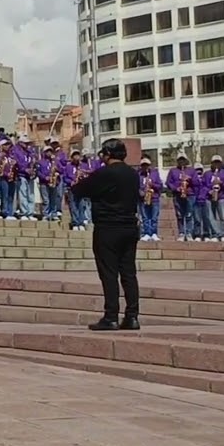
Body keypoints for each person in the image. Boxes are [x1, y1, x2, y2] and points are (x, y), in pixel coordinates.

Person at [69, 138, 140, 331]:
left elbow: (79, 190)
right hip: (129, 226)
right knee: (128, 273)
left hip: (108, 227)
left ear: (107, 154)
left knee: (109, 273)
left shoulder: (105, 173)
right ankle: (132, 316)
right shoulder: (133, 174)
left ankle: (111, 316)